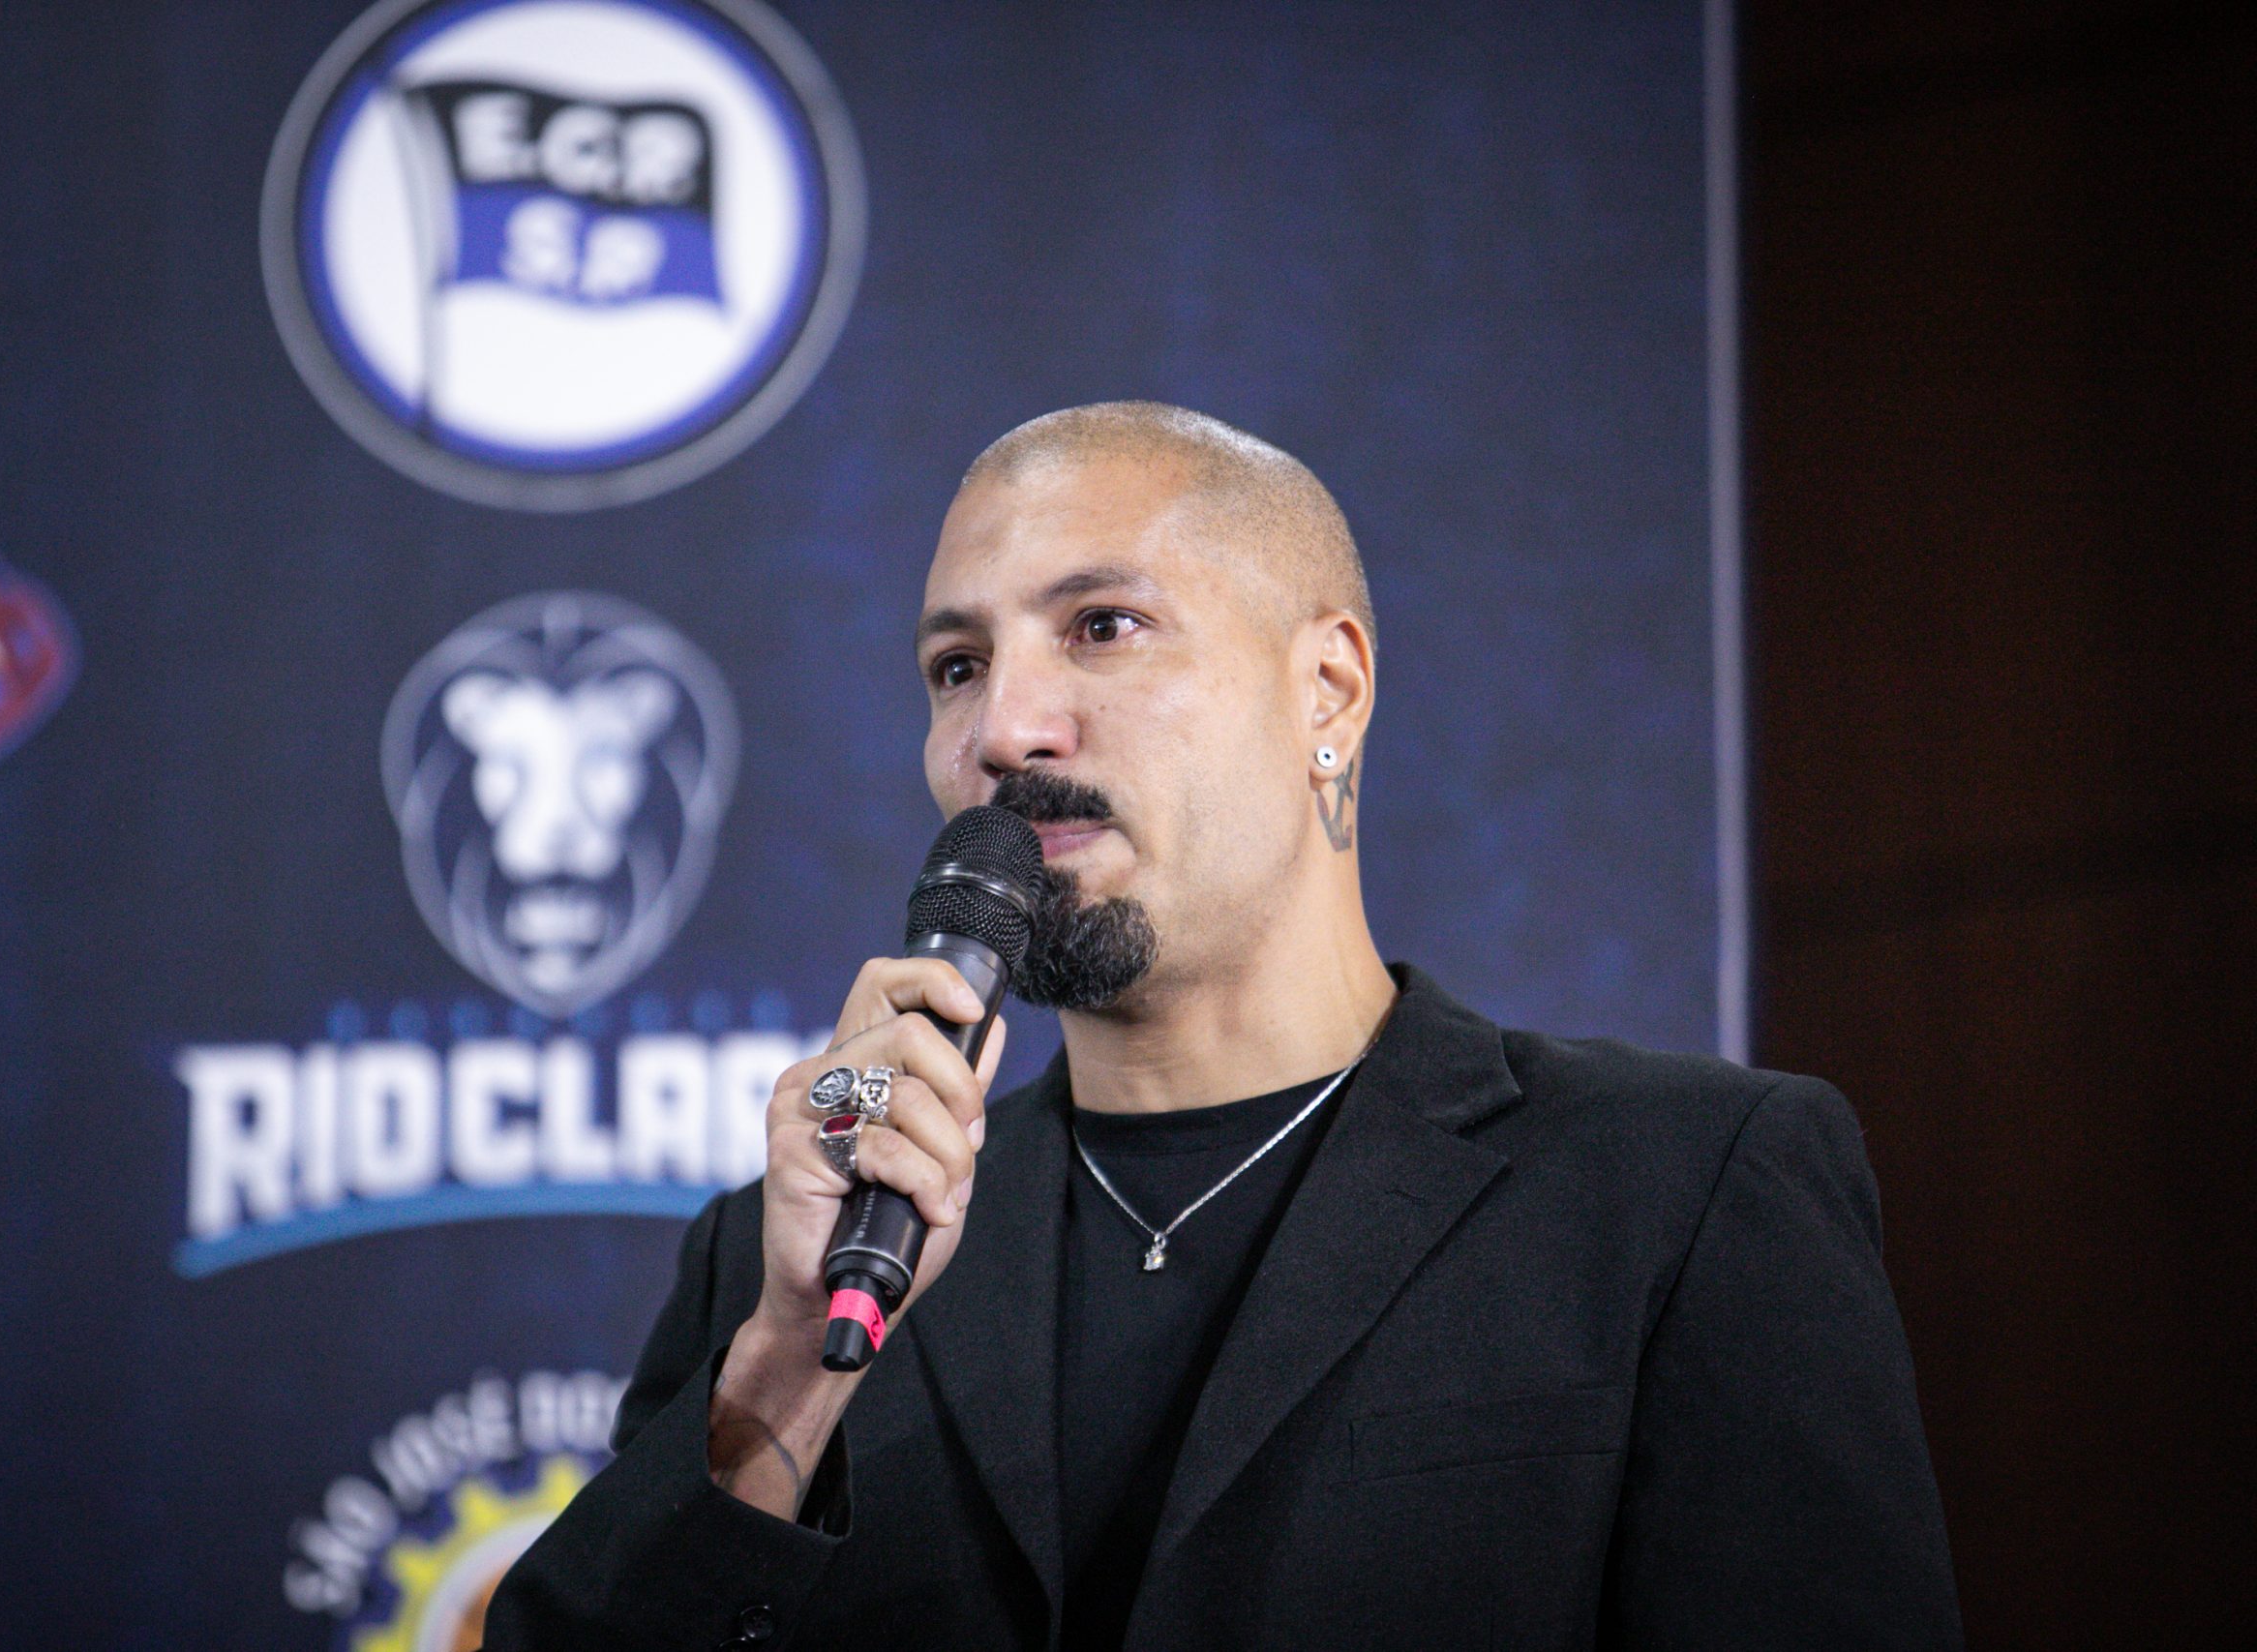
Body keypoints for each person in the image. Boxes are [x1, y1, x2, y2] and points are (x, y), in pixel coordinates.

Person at [482, 403, 1961, 1650]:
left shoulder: (1680, 1190)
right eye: (958, 667)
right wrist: (785, 1380)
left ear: (1330, 689)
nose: (1004, 730)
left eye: (1104, 628)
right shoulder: (788, 1263)